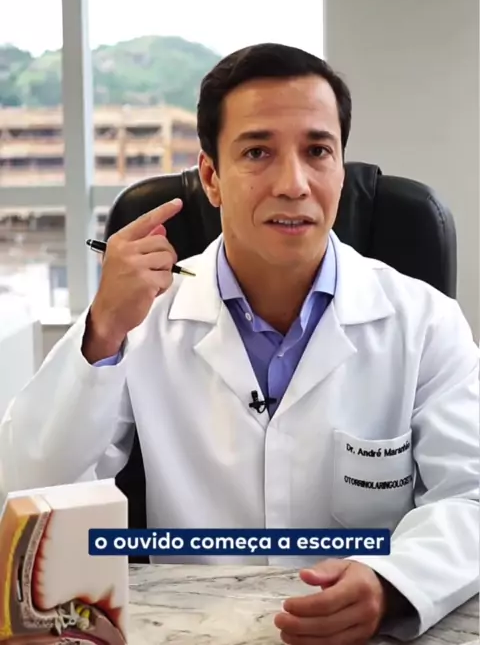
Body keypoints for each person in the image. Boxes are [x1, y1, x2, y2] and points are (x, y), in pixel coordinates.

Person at [0, 43, 478, 644]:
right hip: (191, 628)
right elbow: (30, 493)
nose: (293, 184)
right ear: (211, 178)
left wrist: (394, 583)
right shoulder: (142, 319)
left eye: (317, 151)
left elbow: (472, 496)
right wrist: (103, 330)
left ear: (340, 167)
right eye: (257, 152)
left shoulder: (424, 322)